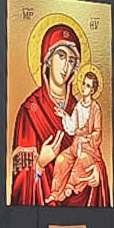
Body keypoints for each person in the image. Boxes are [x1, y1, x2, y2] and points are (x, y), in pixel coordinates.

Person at [9, 24, 110, 206]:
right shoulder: (30, 111)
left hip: (79, 201)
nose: (66, 66)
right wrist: (40, 163)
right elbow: (19, 185)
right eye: (61, 56)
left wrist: (97, 171)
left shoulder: (80, 107)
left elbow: (94, 150)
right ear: (47, 59)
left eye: (71, 60)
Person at [47, 69, 106, 204]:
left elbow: (98, 132)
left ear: (92, 90)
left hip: (89, 148)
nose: (84, 87)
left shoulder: (95, 108)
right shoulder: (78, 106)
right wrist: (64, 115)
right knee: (61, 158)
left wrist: (88, 138)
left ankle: (70, 186)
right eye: (84, 84)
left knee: (82, 159)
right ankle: (55, 193)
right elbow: (72, 127)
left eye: (88, 86)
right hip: (76, 144)